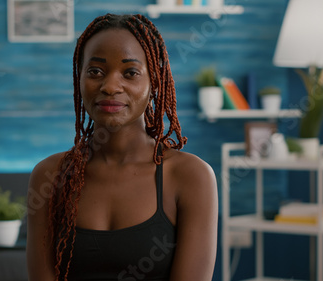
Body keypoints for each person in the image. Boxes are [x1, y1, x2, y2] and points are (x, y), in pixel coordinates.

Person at [27, 13, 218, 281]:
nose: (110, 86)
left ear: (154, 83)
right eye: (95, 71)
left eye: (130, 73)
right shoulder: (50, 175)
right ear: (79, 79)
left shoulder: (191, 176)